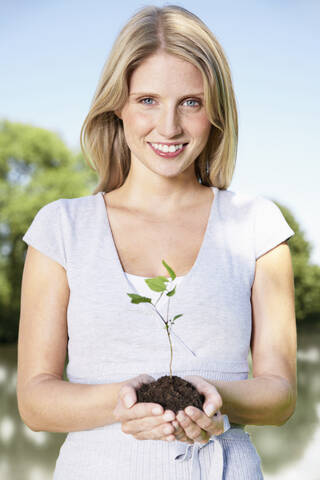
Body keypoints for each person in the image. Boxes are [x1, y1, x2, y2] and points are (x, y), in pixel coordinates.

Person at [17, 5, 297, 479]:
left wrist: (216, 397)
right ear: (118, 105)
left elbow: (282, 396)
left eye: (191, 102)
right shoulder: (62, 227)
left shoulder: (257, 225)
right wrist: (126, 402)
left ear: (216, 112)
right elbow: (35, 401)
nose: (168, 127)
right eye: (147, 100)